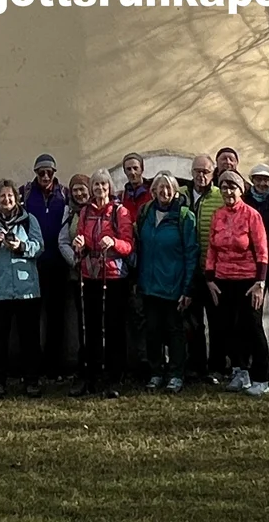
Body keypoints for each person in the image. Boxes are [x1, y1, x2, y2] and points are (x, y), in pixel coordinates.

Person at [65, 168, 133, 398]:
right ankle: (91, 374)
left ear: (110, 187)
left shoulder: (120, 212)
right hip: (90, 275)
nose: (100, 189)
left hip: (113, 276)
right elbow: (81, 240)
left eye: (104, 185)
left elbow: (128, 245)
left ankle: (114, 376)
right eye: (96, 185)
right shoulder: (85, 212)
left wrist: (112, 241)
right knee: (90, 327)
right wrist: (79, 242)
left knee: (113, 327)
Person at [205, 169, 269, 398]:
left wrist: (260, 282)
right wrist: (210, 279)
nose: (228, 191)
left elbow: (262, 251)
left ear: (241, 190)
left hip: (248, 281)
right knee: (229, 328)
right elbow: (212, 249)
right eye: (224, 187)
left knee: (252, 328)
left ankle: (261, 378)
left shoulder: (252, 215)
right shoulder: (218, 215)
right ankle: (240, 371)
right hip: (223, 280)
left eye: (232, 187)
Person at [0, 178, 44, 397]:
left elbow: (39, 246)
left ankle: (32, 380)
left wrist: (21, 246)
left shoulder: (29, 220)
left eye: (10, 196)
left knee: (30, 338)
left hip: (27, 289)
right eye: (2, 196)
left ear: (17, 198)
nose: (7, 199)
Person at [132, 171, 198, 393]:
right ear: (153, 191)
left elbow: (191, 253)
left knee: (174, 332)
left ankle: (176, 374)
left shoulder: (185, 216)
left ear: (175, 191)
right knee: (152, 332)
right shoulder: (146, 213)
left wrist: (188, 288)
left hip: (173, 286)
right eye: (160, 188)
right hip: (149, 286)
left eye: (169, 188)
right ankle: (156, 373)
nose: (164, 192)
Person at [22, 152, 72, 383]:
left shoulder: (64, 194)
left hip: (58, 264)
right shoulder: (26, 193)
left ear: (54, 173)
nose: (45, 176)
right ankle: (32, 366)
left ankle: (54, 365)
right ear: (35, 173)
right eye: (40, 172)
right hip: (32, 263)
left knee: (56, 317)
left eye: (48, 172)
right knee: (31, 318)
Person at [183, 153, 227, 382]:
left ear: (213, 174)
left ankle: (217, 366)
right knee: (192, 322)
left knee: (217, 320)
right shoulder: (181, 195)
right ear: (191, 173)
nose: (201, 176)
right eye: (197, 171)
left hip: (215, 270)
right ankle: (196, 365)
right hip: (189, 269)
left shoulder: (220, 197)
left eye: (206, 172)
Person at [244, 164, 269, 377]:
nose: (262, 183)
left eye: (265, 179)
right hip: (252, 267)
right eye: (257, 179)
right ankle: (254, 360)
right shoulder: (245, 200)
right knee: (253, 315)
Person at [117, 152, 152, 381]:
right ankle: (136, 362)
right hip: (128, 260)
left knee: (148, 315)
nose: (132, 172)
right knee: (132, 315)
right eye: (128, 169)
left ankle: (150, 363)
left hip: (150, 259)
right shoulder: (121, 197)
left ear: (142, 169)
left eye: (135, 168)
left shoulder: (150, 194)